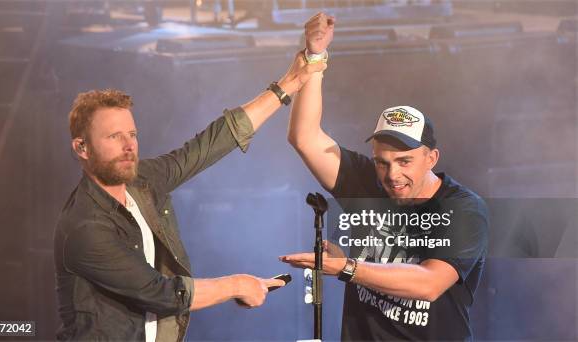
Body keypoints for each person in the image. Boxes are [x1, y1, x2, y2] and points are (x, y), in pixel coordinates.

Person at [54, 52, 326, 341]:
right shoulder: (86, 227)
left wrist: (289, 83)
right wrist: (237, 285)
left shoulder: (141, 180)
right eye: (113, 137)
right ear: (81, 148)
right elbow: (161, 293)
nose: (128, 146)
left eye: (131, 134)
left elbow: (205, 148)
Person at [280, 13, 488, 341]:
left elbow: (429, 284)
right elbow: (304, 137)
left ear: (431, 158)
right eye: (382, 162)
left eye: (405, 161)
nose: (393, 175)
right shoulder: (367, 183)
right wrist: (315, 57)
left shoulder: (463, 209)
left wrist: (347, 268)